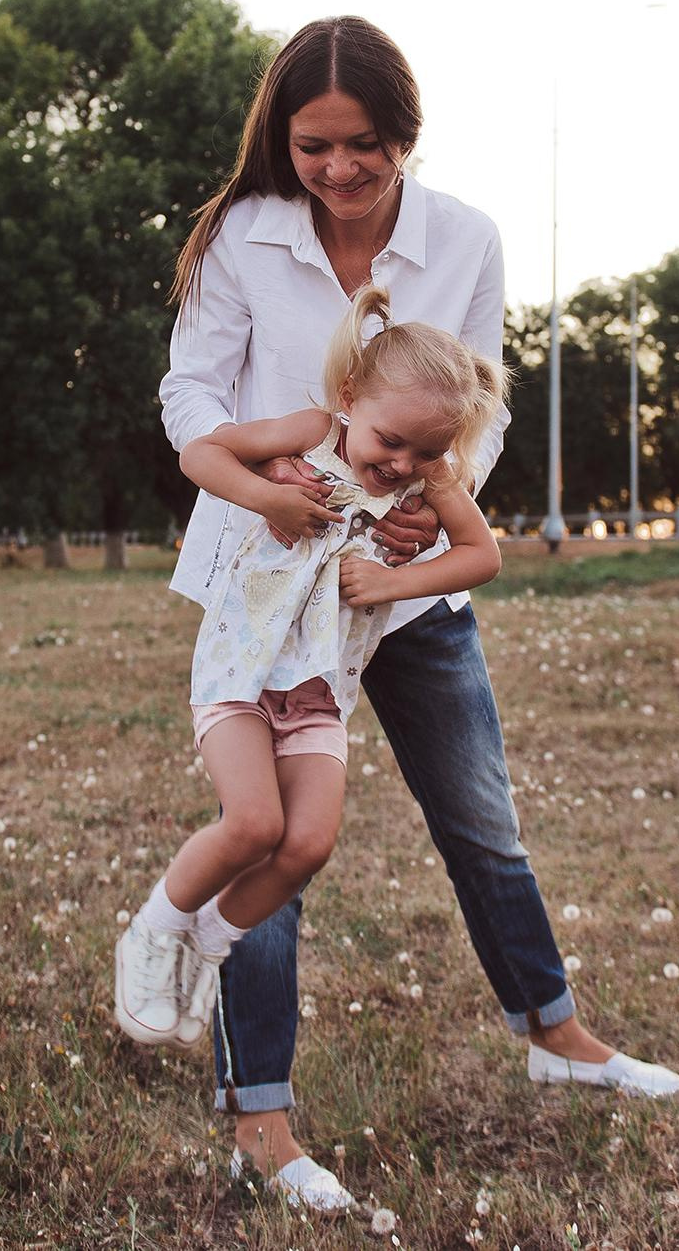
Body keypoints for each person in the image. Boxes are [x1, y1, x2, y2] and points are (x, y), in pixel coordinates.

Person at [154, 16, 679, 1217]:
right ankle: (264, 1121)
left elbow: (478, 407)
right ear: (281, 140)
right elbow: (193, 393)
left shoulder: (467, 240)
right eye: (313, 146)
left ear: (407, 138)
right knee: (280, 839)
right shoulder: (245, 233)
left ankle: (556, 1031)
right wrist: (257, 486)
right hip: (277, 587)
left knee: (482, 821)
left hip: (408, 585)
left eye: (365, 148)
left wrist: (428, 524)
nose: (338, 170)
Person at [113, 287, 506, 1212]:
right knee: (253, 821)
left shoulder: (428, 479)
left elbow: (481, 556)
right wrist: (265, 495)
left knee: (309, 841)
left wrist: (401, 575)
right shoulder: (307, 428)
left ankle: (210, 945)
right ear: (353, 393)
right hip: (241, 671)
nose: (401, 461)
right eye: (389, 441)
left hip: (320, 686)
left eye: (423, 449)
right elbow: (200, 450)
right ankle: (153, 932)